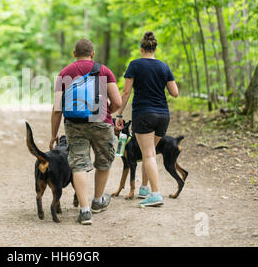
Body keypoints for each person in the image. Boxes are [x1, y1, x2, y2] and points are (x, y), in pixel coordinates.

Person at [51, 39, 122, 225]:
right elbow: (118, 102)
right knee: (104, 161)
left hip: (74, 124)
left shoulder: (64, 73)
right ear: (93, 54)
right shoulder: (104, 70)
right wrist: (107, 113)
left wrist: (53, 134)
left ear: (74, 54)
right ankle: (97, 201)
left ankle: (84, 211)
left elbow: (57, 109)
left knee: (79, 164)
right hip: (101, 122)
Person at [115, 31, 179, 207]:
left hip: (144, 114)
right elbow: (175, 93)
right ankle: (144, 188)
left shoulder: (135, 65)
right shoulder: (164, 66)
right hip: (163, 115)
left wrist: (119, 114)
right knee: (148, 152)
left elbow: (126, 92)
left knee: (148, 153)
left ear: (141, 49)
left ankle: (156, 194)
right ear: (155, 48)